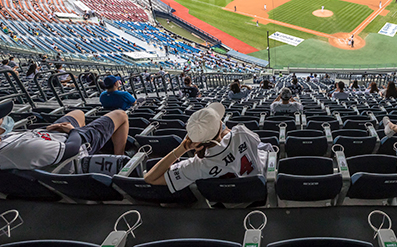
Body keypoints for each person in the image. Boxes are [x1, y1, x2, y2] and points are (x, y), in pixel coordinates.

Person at [144, 103, 272, 193]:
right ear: (220, 125)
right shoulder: (240, 133)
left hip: (229, 201)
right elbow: (257, 142)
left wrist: (182, 149)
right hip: (258, 190)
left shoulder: (196, 165)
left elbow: (150, 178)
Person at [0, 101, 129, 170]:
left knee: (78, 113)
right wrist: (73, 131)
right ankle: (119, 157)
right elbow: (71, 150)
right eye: (1, 118)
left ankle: (97, 142)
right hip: (76, 145)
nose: (5, 119)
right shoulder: (19, 150)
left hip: (50, 135)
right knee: (120, 114)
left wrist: (49, 129)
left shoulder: (5, 139)